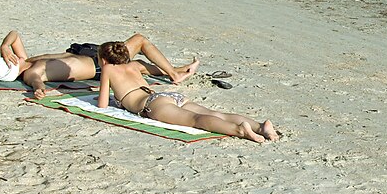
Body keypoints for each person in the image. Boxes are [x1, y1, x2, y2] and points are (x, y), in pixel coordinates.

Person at [97, 41, 278, 143]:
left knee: (195, 120)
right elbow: (161, 70)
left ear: (104, 60)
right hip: (167, 96)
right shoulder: (135, 65)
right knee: (214, 113)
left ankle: (239, 130)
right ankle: (260, 126)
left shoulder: (107, 70)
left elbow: (103, 104)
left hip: (152, 105)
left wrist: (116, 99)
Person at [0, 30, 198, 99]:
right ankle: (175, 74)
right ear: (13, 68)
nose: (13, 56)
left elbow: (14, 35)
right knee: (140, 40)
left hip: (91, 56)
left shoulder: (27, 61)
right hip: (99, 66)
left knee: (139, 63)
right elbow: (38, 83)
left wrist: (4, 46)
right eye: (10, 59)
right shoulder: (31, 73)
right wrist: (38, 91)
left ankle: (178, 70)